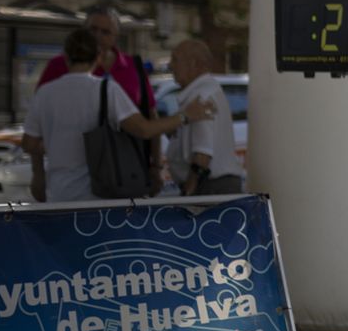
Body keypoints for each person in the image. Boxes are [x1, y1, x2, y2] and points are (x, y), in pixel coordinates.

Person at [24, 28, 214, 203]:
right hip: (98, 195)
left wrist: (46, 162)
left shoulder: (45, 93)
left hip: (59, 194)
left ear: (65, 56)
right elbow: (144, 129)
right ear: (98, 56)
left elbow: (29, 143)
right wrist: (184, 116)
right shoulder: (106, 90)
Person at [38, 5, 165, 195]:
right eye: (93, 29)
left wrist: (156, 167)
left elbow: (150, 116)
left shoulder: (133, 66)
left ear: (116, 36)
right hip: (71, 176)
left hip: (127, 170)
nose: (98, 36)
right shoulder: (59, 65)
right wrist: (38, 173)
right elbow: (38, 123)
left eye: (105, 32)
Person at [165, 39, 244, 196]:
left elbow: (203, 154)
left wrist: (189, 190)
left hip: (209, 187)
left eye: (175, 59)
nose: (170, 65)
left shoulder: (201, 96)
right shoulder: (205, 91)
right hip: (214, 185)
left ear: (194, 64)